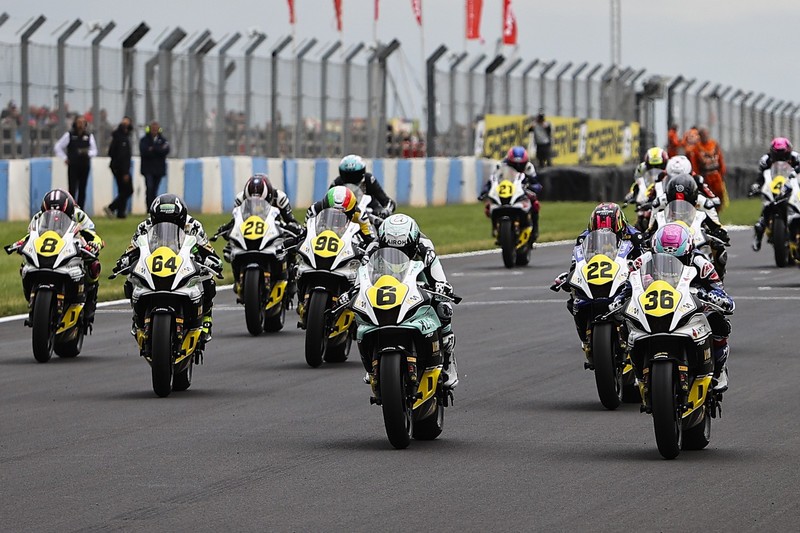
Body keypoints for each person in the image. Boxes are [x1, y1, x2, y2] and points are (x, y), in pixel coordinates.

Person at [628, 223, 734, 392]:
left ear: (688, 252)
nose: (670, 263)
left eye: (678, 259)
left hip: (690, 306)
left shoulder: (701, 263)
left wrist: (716, 298)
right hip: (654, 305)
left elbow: (719, 290)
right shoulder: (643, 260)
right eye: (663, 257)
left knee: (719, 322)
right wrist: (622, 298)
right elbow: (627, 284)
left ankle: (719, 369)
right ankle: (637, 371)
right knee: (627, 322)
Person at [358, 213, 458, 389]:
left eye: (404, 249)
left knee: (444, 308)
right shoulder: (373, 247)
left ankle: (449, 362)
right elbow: (363, 274)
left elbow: (437, 272)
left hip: (418, 283)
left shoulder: (425, 247)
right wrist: (355, 290)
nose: (399, 253)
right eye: (391, 248)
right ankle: (371, 365)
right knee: (359, 312)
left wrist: (442, 286)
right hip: (386, 285)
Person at [116, 194, 222, 346]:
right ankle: (137, 318)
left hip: (183, 266)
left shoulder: (193, 226)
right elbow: (132, 248)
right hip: (154, 267)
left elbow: (208, 249)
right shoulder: (144, 227)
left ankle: (206, 319)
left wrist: (211, 261)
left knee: (207, 278)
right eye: (160, 222)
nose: (166, 226)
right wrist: (124, 260)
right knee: (132, 278)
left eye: (171, 222)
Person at [550, 203, 645, 354]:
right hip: (597, 276)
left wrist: (637, 272)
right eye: (599, 230)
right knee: (573, 300)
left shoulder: (634, 235)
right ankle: (585, 338)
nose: (604, 234)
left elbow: (645, 260)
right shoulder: (584, 237)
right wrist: (571, 275)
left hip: (624, 276)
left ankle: (637, 336)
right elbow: (577, 260)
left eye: (610, 231)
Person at [12, 190, 103, 327]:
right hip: (48, 251)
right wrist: (20, 243)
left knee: (94, 265)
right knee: (25, 265)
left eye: (61, 213)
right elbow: (32, 235)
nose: (55, 216)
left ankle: (89, 306)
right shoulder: (38, 217)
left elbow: (92, 234)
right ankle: (33, 299)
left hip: (73, 248)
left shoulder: (80, 215)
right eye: (49, 213)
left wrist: (94, 244)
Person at [216, 174, 303, 297]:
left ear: (269, 197)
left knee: (292, 243)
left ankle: (291, 279)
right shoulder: (240, 199)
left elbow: (291, 220)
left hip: (273, 232)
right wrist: (226, 229)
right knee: (230, 247)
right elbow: (236, 220)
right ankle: (238, 279)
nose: (256, 205)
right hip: (250, 232)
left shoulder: (280, 198)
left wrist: (293, 228)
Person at [478, 146, 543, 240]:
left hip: (522, 191)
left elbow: (536, 183)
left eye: (520, 165)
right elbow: (492, 181)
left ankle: (535, 230)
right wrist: (484, 192)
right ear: (509, 161)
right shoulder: (501, 165)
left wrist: (533, 188)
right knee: (489, 205)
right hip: (506, 191)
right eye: (514, 164)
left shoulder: (529, 167)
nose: (518, 167)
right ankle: (495, 227)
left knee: (535, 204)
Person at [750, 137, 800, 251]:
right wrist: (756, 185)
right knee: (767, 205)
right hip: (774, 187)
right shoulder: (765, 160)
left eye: (784, 155)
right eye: (778, 155)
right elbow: (761, 176)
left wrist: (795, 172)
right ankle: (759, 234)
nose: (781, 158)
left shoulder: (796, 157)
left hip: (791, 186)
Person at [329, 154, 396, 218]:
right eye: (348, 175)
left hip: (370, 214)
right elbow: (327, 203)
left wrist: (385, 211)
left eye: (355, 175)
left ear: (362, 172)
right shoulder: (337, 183)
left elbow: (387, 201)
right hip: (345, 216)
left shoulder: (368, 179)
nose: (352, 178)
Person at [54, 115, 98, 209]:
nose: (80, 125)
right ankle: (71, 209)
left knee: (83, 188)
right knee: (72, 188)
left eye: (82, 123)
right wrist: (65, 158)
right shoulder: (69, 135)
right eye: (79, 122)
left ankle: (81, 210)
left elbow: (94, 150)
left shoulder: (89, 136)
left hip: (84, 165)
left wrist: (87, 153)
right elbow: (58, 147)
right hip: (73, 165)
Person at [688, 128, 727, 211]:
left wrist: (722, 172)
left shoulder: (714, 144)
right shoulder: (696, 148)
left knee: (719, 193)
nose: (705, 136)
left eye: (705, 134)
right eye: (702, 134)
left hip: (716, 174)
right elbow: (695, 164)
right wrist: (697, 177)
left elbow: (720, 159)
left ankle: (717, 211)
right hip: (705, 175)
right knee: (707, 195)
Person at [105, 116, 133, 219]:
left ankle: (121, 213)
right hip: (120, 168)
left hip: (119, 167)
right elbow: (122, 156)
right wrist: (125, 171)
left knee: (123, 190)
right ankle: (112, 207)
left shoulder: (122, 136)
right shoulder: (120, 138)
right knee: (128, 190)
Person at [140, 121, 170, 210]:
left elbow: (165, 150)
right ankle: (149, 208)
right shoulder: (144, 140)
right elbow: (144, 151)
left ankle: (153, 208)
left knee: (155, 189)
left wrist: (153, 149)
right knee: (149, 188)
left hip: (158, 169)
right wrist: (157, 149)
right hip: (148, 169)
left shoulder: (163, 140)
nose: (154, 130)